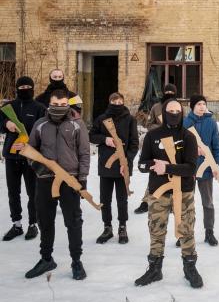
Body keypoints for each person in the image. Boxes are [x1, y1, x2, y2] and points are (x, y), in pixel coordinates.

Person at [134, 99, 202, 288]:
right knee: (156, 230)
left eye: (177, 111)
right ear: (164, 112)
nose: (174, 114)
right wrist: (153, 166)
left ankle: (190, 268)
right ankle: (155, 269)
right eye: (170, 111)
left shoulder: (188, 137)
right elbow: (141, 164)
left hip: (184, 192)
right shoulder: (152, 135)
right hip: (159, 191)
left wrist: (167, 167)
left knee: (186, 230)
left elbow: (190, 168)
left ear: (182, 113)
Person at [25, 89, 90, 280]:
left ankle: (76, 261)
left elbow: (84, 153)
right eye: (56, 104)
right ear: (49, 104)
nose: (59, 108)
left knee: (73, 222)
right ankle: (46, 259)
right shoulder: (40, 124)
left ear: (68, 104)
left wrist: (82, 178)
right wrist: (38, 167)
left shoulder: (77, 125)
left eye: (63, 105)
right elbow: (31, 149)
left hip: (70, 180)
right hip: (45, 179)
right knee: (45, 220)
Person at [0, 76, 47, 241]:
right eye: (22, 86)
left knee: (32, 192)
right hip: (12, 157)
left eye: (28, 86)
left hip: (30, 157)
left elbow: (44, 132)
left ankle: (33, 224)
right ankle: (17, 224)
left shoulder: (40, 108)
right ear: (17, 88)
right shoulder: (8, 107)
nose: (24, 89)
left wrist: (31, 147)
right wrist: (6, 124)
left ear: (33, 88)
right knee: (13, 192)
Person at [90, 92, 139, 244]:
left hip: (123, 167)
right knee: (105, 198)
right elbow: (91, 136)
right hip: (106, 164)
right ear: (109, 102)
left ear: (123, 103)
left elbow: (134, 143)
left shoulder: (130, 120)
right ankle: (107, 227)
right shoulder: (102, 119)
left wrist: (126, 162)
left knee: (122, 199)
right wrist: (105, 139)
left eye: (120, 102)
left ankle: (122, 227)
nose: (117, 104)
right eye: (114, 102)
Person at [183, 94, 219, 246]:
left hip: (206, 170)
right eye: (198, 104)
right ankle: (185, 233)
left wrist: (217, 165)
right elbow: (178, 147)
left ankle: (209, 232)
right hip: (189, 170)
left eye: (203, 104)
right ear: (192, 106)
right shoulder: (185, 122)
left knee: (208, 203)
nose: (201, 106)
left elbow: (216, 146)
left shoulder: (211, 123)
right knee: (187, 204)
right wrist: (193, 151)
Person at [133, 83, 178, 215]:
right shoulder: (156, 107)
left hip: (175, 144)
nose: (169, 94)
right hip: (158, 144)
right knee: (156, 173)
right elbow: (149, 124)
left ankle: (173, 203)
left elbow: (183, 125)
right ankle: (146, 202)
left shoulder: (178, 107)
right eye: (167, 92)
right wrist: (160, 130)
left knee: (174, 173)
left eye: (172, 92)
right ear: (163, 93)